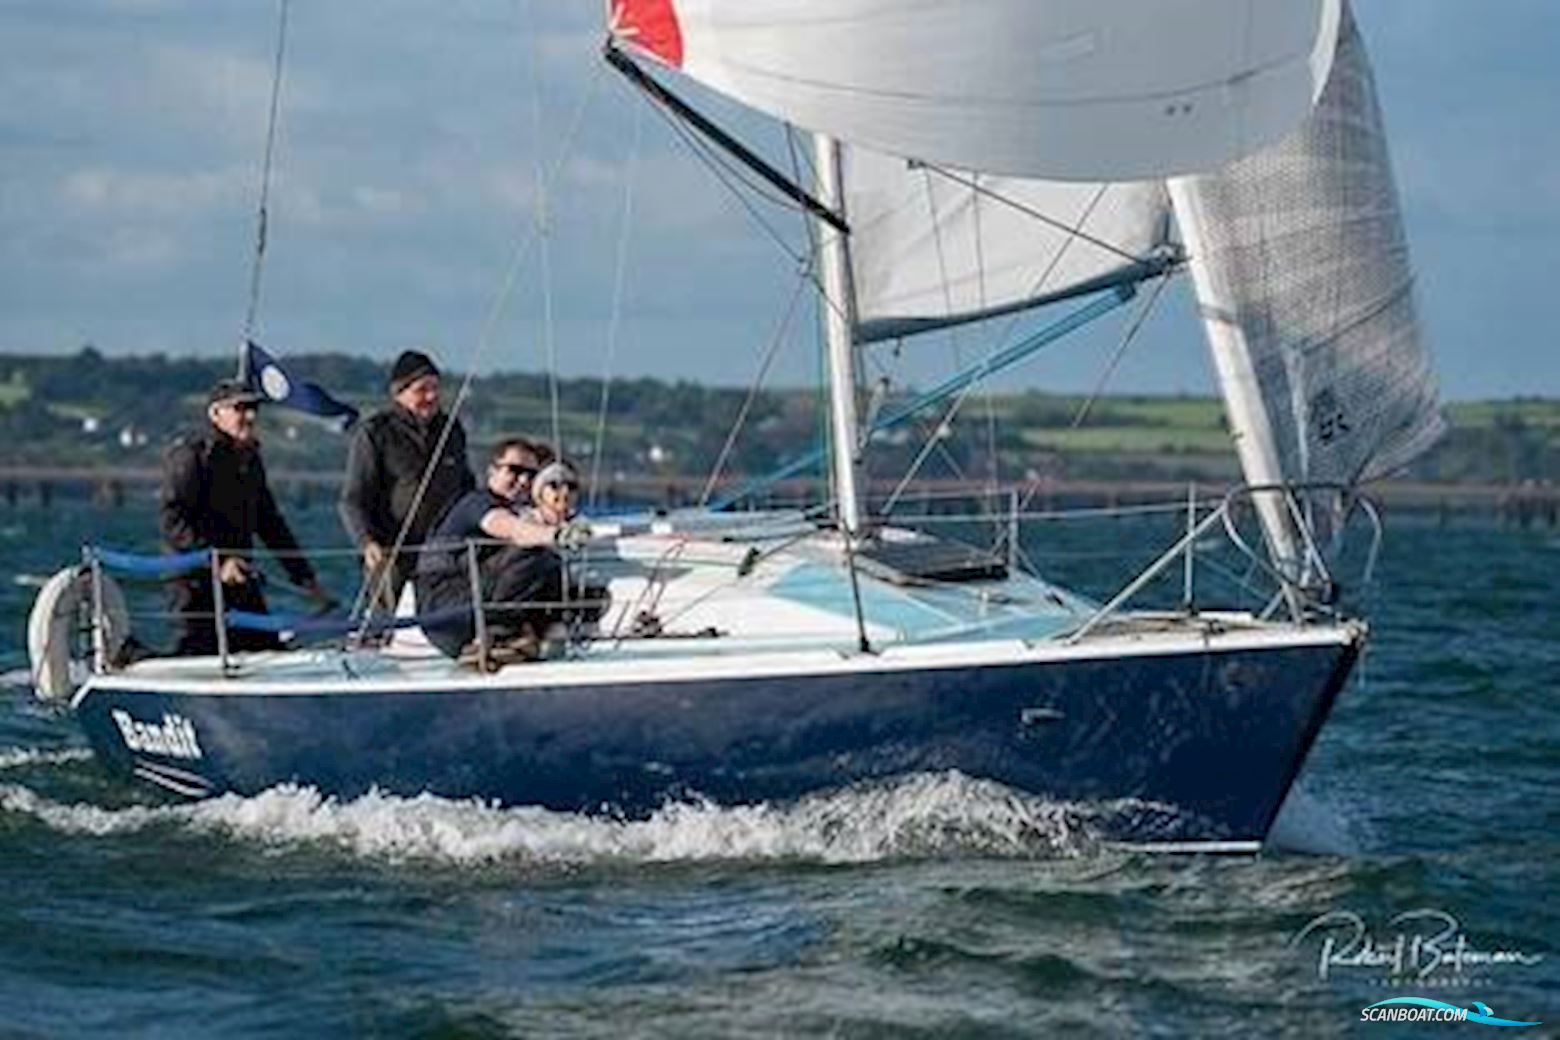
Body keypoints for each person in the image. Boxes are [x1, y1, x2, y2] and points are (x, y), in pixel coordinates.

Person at [160, 378, 331, 655]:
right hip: (194, 581)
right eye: (240, 408)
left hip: (240, 579)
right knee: (198, 655)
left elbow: (269, 523)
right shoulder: (192, 456)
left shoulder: (250, 458)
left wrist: (304, 578)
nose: (250, 416)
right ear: (215, 414)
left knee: (267, 651)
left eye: (253, 409)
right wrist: (218, 561)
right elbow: (173, 520)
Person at [414, 439, 594, 662]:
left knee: (549, 562)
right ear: (492, 471)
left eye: (531, 474)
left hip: (466, 607)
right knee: (534, 552)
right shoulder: (477, 503)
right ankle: (498, 637)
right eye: (515, 470)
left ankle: (534, 634)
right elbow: (511, 529)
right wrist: (556, 535)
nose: (523, 480)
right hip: (446, 611)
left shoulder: (514, 510)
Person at [339, 349, 475, 618]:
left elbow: (466, 485)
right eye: (422, 390)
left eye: (436, 389)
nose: (432, 397)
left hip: (444, 545)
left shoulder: (451, 430)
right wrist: (366, 542)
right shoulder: (376, 432)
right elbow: (352, 499)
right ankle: (377, 641)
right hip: (392, 548)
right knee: (385, 611)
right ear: (399, 393)